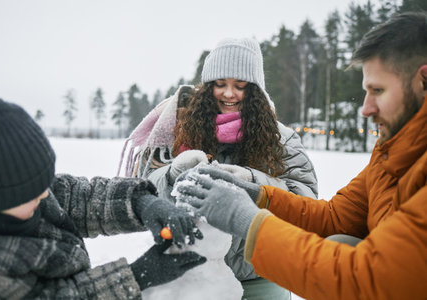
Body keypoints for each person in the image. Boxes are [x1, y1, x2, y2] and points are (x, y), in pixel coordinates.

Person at [176, 11, 427, 300]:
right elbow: (334, 218)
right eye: (366, 91)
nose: (366, 108)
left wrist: (245, 218)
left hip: (263, 279)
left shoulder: (282, 138)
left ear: (423, 81)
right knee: (341, 239)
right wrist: (258, 194)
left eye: (378, 90)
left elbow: (367, 278)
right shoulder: (388, 157)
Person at [119, 38, 318, 299]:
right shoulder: (178, 129)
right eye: (220, 84)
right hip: (193, 276)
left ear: (255, 89)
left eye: (240, 85)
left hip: (261, 277)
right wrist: (171, 174)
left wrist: (253, 182)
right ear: (207, 87)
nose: (228, 93)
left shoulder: (281, 139)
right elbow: (144, 193)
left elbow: (306, 202)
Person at [0, 94, 206, 299]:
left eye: (44, 183)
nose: (45, 194)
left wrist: (142, 203)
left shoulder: (33, 195)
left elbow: (82, 198)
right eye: (32, 192)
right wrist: (135, 277)